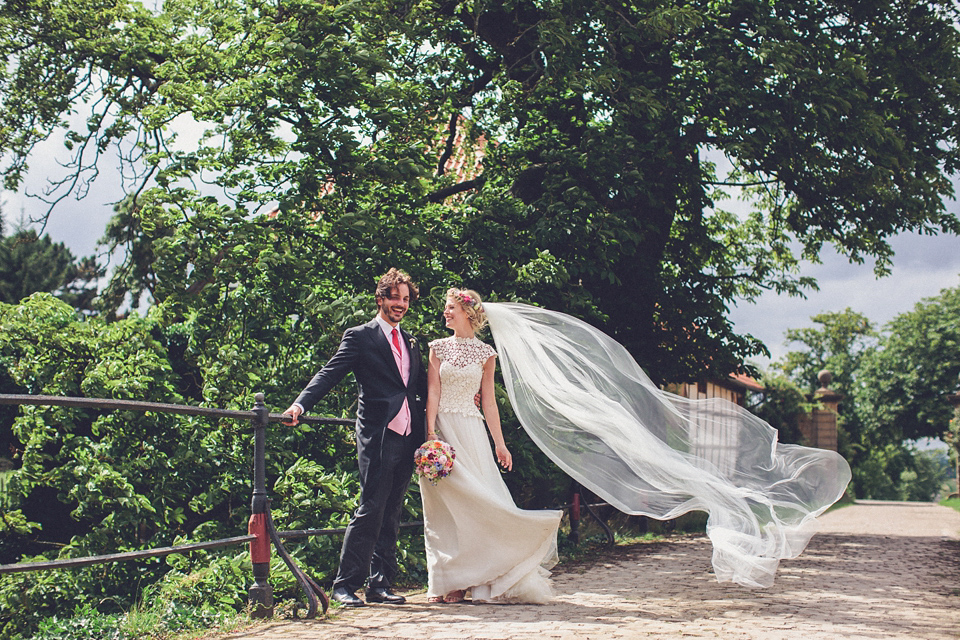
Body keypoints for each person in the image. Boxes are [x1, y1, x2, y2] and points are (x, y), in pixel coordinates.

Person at [282, 268, 427, 607]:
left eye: (405, 299)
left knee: (392, 510)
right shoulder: (361, 336)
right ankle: (344, 586)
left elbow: (420, 387)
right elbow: (329, 373)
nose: (400, 304)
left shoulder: (411, 341)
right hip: (377, 433)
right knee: (371, 507)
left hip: (408, 434)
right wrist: (300, 405)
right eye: (394, 298)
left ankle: (380, 586)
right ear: (380, 299)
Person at [421, 288, 562, 604]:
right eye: (446, 307)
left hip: (471, 431)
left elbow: (489, 403)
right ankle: (448, 582)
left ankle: (479, 577)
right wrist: (430, 432)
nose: (445, 312)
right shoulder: (437, 349)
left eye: (450, 307)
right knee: (443, 507)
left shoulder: (486, 354)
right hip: (443, 432)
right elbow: (432, 392)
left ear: (467, 313)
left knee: (478, 502)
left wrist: (500, 444)